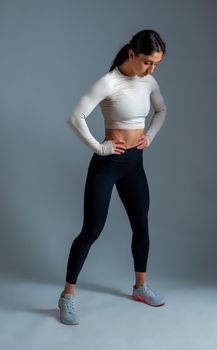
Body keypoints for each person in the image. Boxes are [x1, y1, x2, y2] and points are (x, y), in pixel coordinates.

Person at [58, 29, 167, 325]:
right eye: (147, 62)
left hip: (135, 163)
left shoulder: (149, 81)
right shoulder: (109, 82)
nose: (151, 69)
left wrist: (150, 137)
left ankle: (140, 287)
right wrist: (99, 147)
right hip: (108, 165)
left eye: (156, 64)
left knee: (141, 226)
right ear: (132, 55)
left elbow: (161, 110)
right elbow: (75, 117)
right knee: (91, 231)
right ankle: (67, 296)